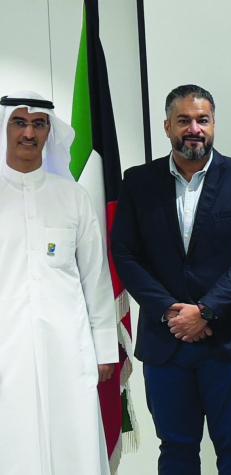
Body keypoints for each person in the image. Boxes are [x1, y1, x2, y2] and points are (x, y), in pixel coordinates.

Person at [111, 84, 231, 475]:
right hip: (166, 342)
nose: (194, 129)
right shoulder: (138, 182)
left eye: (203, 120)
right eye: (183, 120)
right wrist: (170, 311)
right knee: (176, 451)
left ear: (214, 124)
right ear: (167, 126)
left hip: (228, 340)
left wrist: (205, 311)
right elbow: (126, 254)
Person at [0, 91, 117, 474]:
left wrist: (104, 348)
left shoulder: (73, 197)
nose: (29, 133)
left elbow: (96, 277)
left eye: (39, 124)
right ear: (4, 128)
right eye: (19, 123)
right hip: (7, 348)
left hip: (68, 346)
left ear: (50, 131)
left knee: (73, 443)